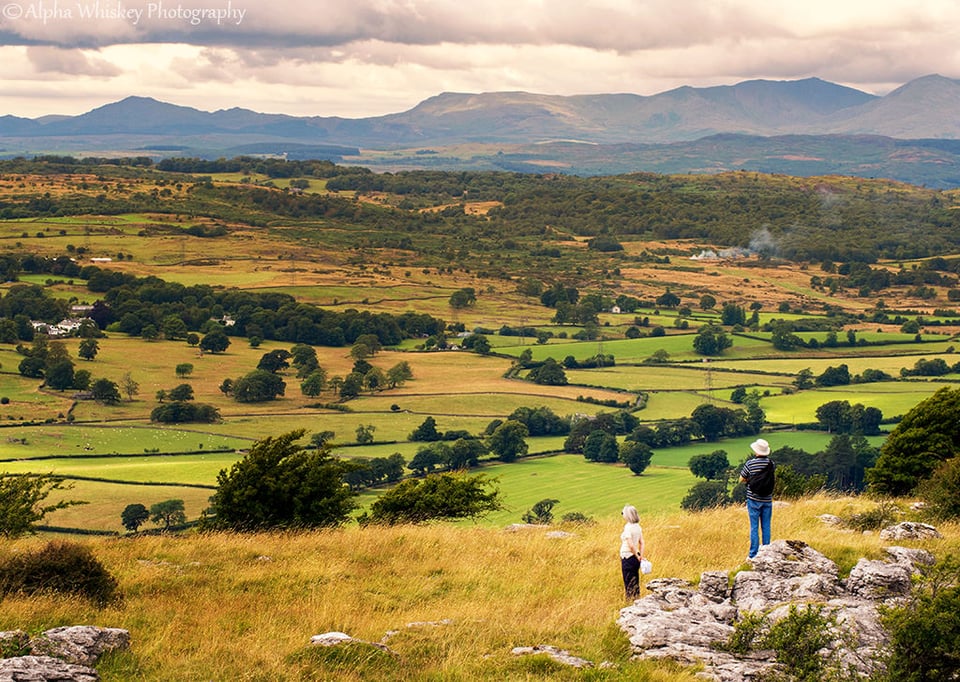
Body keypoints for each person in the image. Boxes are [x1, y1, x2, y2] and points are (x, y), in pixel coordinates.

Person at [739, 438, 774, 559]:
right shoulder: (771, 464)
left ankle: (753, 554)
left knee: (754, 527)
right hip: (767, 499)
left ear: (756, 451)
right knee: (766, 525)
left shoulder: (750, 463)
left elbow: (741, 479)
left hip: (753, 499)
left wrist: (750, 480)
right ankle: (767, 551)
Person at [618, 504, 645, 599]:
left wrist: (638, 556)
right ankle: (637, 598)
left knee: (628, 581)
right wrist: (640, 556)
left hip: (627, 556)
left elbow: (630, 545)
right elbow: (641, 542)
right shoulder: (638, 527)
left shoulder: (628, 527)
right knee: (635, 579)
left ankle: (630, 600)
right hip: (635, 557)